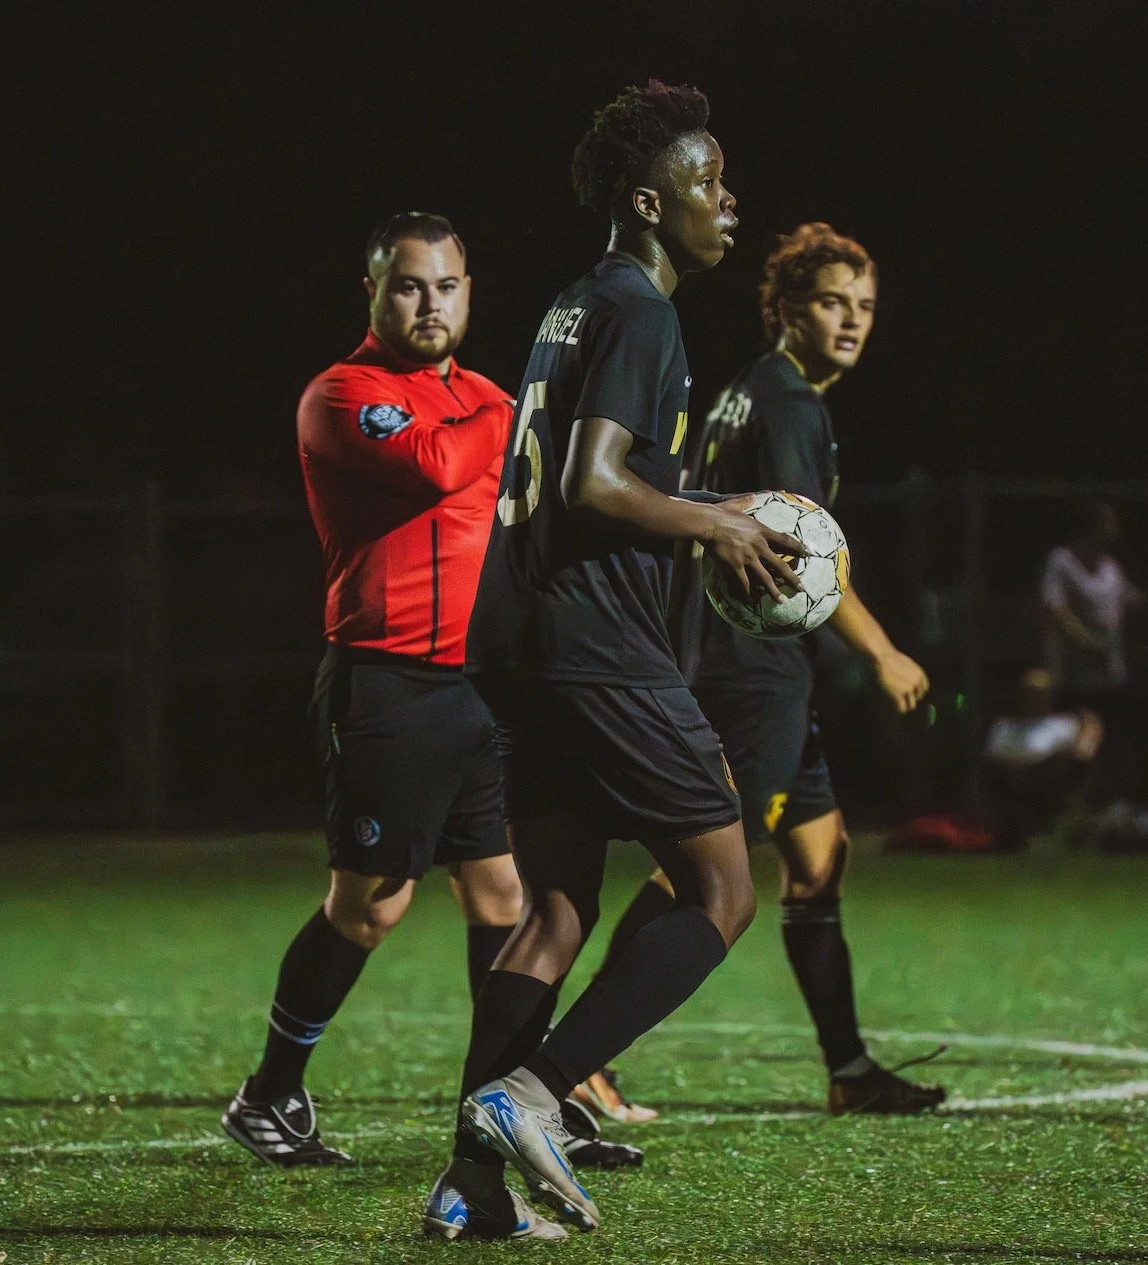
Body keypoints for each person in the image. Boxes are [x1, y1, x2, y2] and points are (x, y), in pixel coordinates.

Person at [422, 81, 805, 1241]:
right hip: (595, 641)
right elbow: (594, 483)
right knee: (722, 888)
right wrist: (718, 525)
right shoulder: (640, 309)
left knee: (553, 907)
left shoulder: (572, 303)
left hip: (521, 635)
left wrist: (708, 508)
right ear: (647, 202)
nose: (725, 200)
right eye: (705, 182)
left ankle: (469, 1186)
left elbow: (590, 480)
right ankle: (535, 1090)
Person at [586, 223, 946, 1119]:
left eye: (864, 306)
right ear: (785, 308)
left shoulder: (750, 391)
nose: (851, 320)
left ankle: (849, 1069)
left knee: (820, 856)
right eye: (831, 302)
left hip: (754, 660)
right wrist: (883, 651)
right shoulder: (789, 404)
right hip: (752, 671)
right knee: (703, 870)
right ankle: (587, 1057)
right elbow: (804, 550)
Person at [222, 213, 533, 1192]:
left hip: (473, 686)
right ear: (373, 292)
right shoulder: (343, 393)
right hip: (385, 683)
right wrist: (518, 413)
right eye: (408, 284)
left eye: (446, 285)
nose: (430, 303)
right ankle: (270, 1093)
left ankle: (508, 1110)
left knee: (503, 896)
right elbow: (432, 464)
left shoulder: (482, 397)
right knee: (369, 906)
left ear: (468, 291)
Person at [1039, 501, 1140, 807]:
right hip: (1076, 676)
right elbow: (1054, 609)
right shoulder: (1061, 562)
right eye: (1107, 521)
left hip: (1111, 675)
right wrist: (1086, 640)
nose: (1114, 527)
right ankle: (1069, 809)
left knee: (1111, 745)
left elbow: (1133, 600)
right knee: (1078, 748)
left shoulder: (1111, 567)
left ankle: (1103, 809)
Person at [983, 667, 1103, 850]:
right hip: (1015, 787)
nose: (1035, 699)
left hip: (1052, 788)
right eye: (1030, 693)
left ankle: (1061, 825)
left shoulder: (1064, 725)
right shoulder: (1006, 726)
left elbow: (1083, 756)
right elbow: (994, 759)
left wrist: (1091, 724)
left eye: (1040, 694)